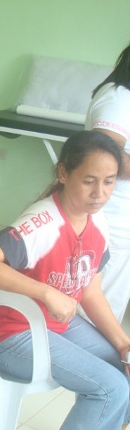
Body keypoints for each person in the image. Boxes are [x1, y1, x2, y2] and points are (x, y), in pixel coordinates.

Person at [0, 131, 130, 430]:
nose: (99, 193)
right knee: (109, 387)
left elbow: (90, 289)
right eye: (89, 181)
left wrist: (123, 344)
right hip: (12, 334)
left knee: (124, 364)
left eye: (109, 182)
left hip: (53, 327)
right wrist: (45, 292)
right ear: (64, 173)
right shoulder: (42, 223)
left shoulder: (96, 221)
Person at [85, 41, 130, 324]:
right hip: (110, 221)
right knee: (99, 308)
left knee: (109, 305)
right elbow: (105, 156)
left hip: (118, 220)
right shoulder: (118, 100)